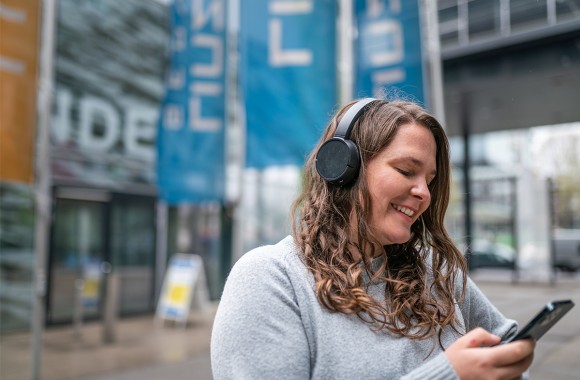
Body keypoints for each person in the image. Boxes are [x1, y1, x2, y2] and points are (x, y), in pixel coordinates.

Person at [211, 99, 535, 379]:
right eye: (407, 171)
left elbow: (506, 338)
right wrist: (449, 374)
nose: (424, 193)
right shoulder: (271, 278)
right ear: (343, 167)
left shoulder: (435, 270)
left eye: (429, 180)